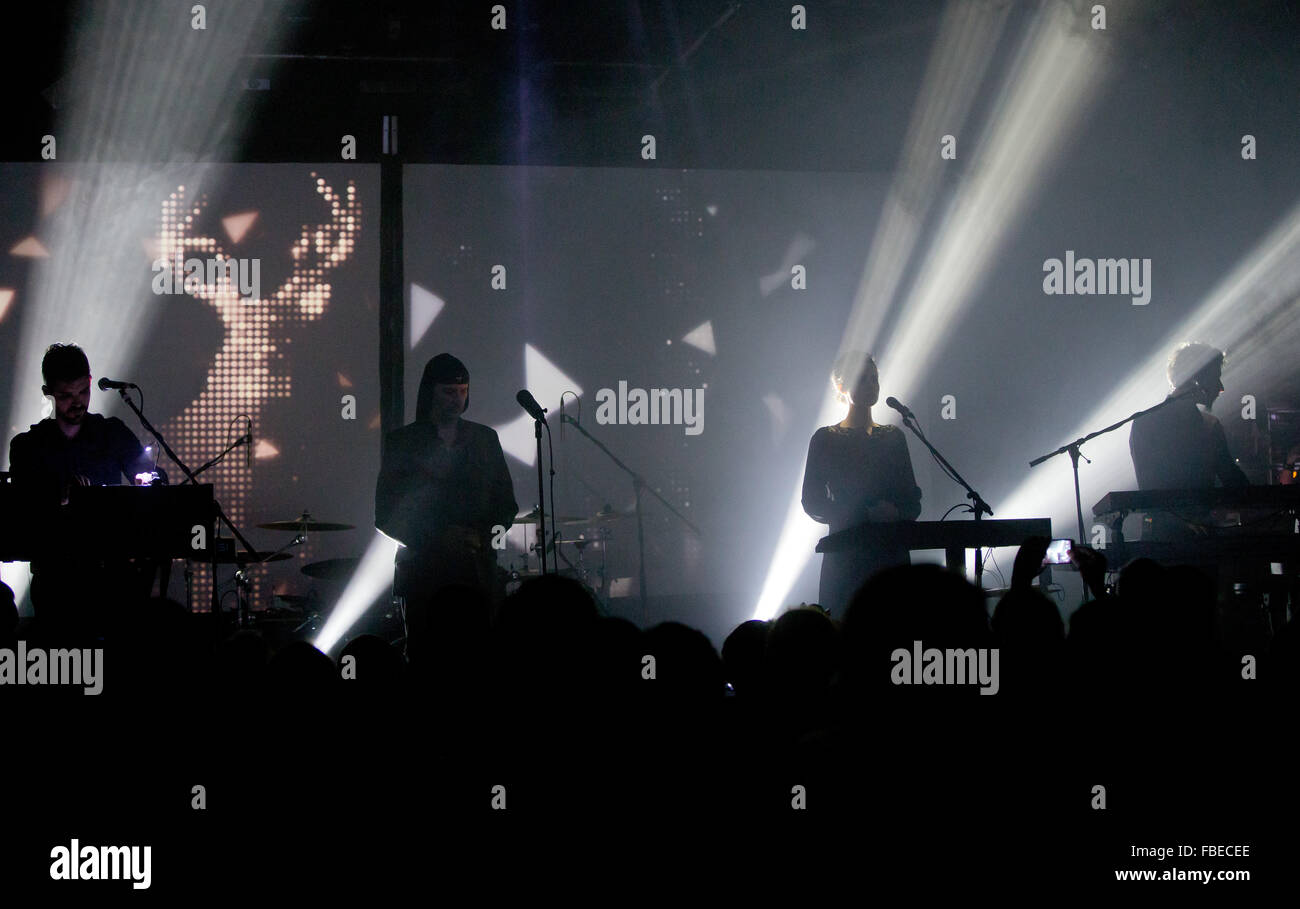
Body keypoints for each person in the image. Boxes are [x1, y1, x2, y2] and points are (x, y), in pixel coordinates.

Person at [7, 343, 159, 639]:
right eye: (66, 396)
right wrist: (60, 497)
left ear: (90, 383)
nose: (77, 403)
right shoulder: (29, 447)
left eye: (82, 393)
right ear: (47, 392)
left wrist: (148, 482)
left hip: (113, 576)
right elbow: (22, 512)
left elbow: (151, 476)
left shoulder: (111, 433)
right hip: (57, 580)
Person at [375, 354, 518, 632]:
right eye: (449, 392)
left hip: (477, 573)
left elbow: (505, 504)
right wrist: (437, 539)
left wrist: (482, 537)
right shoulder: (404, 443)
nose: (457, 399)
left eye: (462, 392)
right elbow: (386, 514)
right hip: (424, 576)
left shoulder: (485, 439)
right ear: (431, 392)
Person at [802, 352, 921, 620]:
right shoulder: (825, 439)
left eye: (874, 378)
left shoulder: (894, 437)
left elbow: (912, 499)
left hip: (890, 555)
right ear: (842, 387)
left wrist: (897, 513)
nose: (872, 384)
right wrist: (857, 515)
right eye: (863, 379)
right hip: (847, 556)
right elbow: (811, 501)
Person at [1129, 342, 1247, 541]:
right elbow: (1150, 488)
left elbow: (1234, 481)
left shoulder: (1209, 425)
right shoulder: (1147, 422)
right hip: (1164, 542)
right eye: (1215, 378)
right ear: (1196, 380)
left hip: (1200, 538)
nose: (1221, 388)